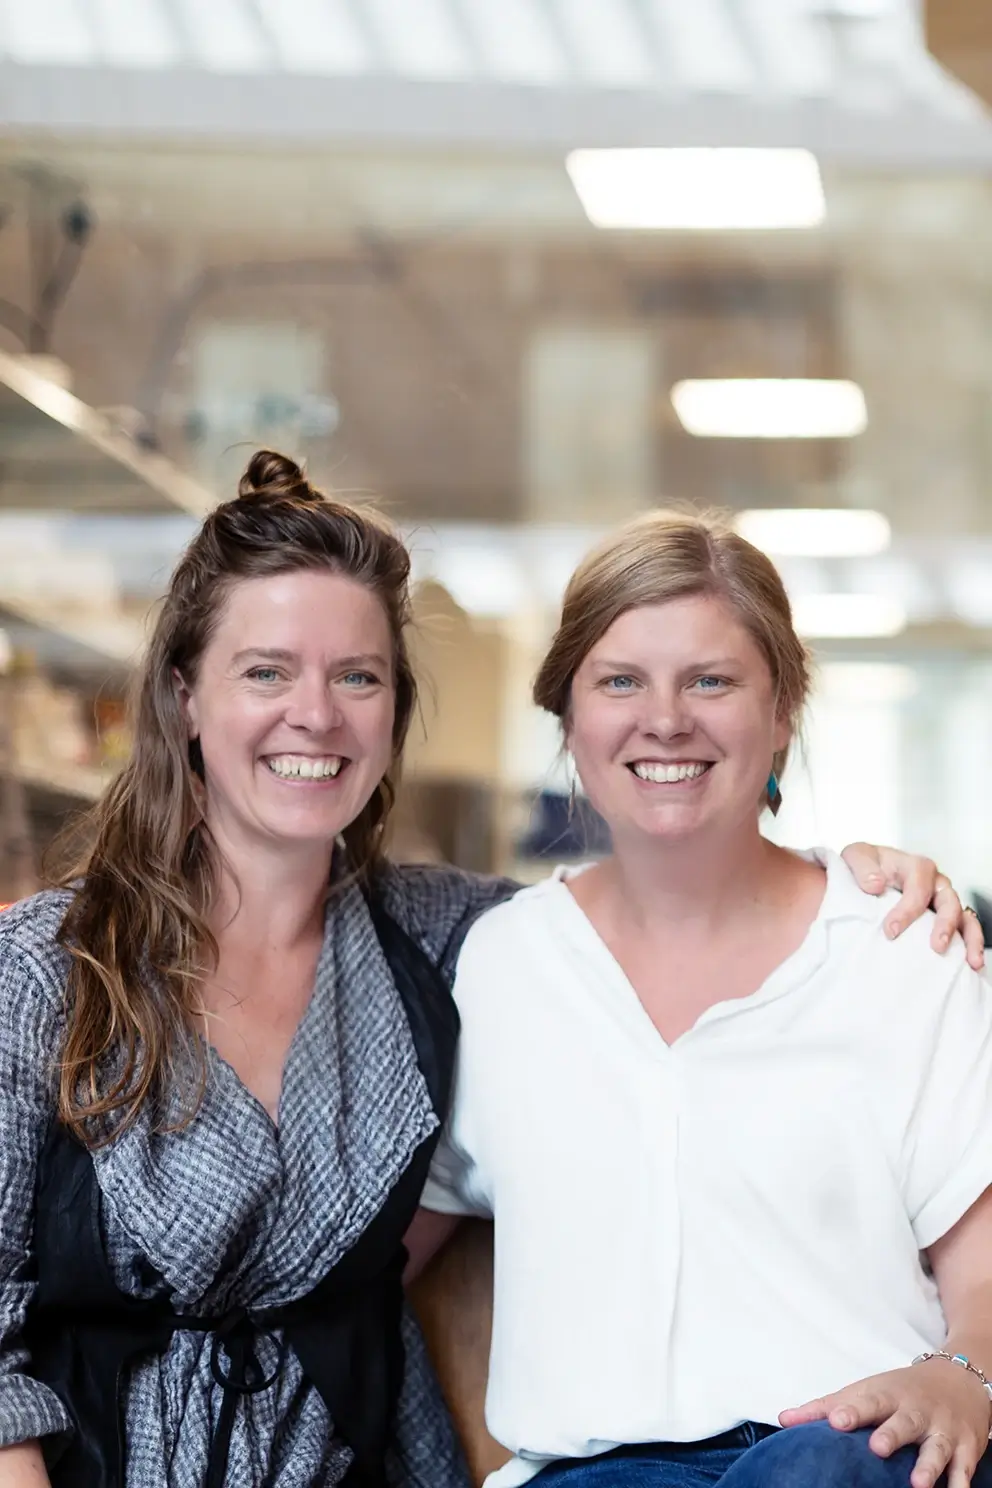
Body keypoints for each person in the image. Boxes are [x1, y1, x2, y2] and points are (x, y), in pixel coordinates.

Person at [0, 454, 975, 1488]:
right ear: (184, 696)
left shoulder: (452, 941)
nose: (316, 715)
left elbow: (667, 902)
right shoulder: (43, 972)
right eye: (266, 671)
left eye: (358, 676)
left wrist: (859, 880)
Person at [418, 509, 992, 1488]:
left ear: (781, 713)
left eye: (710, 680)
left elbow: (978, 1268)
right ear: (569, 719)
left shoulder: (901, 945)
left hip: (851, 1453)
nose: (665, 718)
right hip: (593, 1472)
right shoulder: (500, 965)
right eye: (619, 681)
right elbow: (372, 1239)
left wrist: (961, 1374)